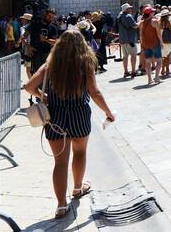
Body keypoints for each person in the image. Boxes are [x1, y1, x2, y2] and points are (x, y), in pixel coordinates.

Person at [24, 28, 116, 219]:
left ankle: (61, 205)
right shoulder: (85, 63)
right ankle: (76, 188)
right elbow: (94, 92)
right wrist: (108, 112)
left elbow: (29, 86)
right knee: (80, 153)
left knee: (60, 162)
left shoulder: (50, 65)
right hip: (79, 113)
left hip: (55, 117)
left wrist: (45, 96)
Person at [32, 8, 61, 75]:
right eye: (49, 16)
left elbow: (55, 42)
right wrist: (28, 47)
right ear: (45, 15)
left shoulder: (54, 27)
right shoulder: (36, 24)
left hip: (47, 53)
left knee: (46, 72)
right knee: (37, 73)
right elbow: (25, 36)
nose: (51, 18)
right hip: (36, 53)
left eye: (52, 17)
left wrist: (45, 39)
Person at [139, 5, 162, 84]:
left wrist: (142, 44)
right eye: (152, 11)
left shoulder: (141, 22)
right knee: (159, 60)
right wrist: (161, 42)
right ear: (150, 13)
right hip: (155, 43)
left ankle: (149, 79)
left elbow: (141, 35)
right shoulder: (155, 21)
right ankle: (157, 77)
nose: (154, 12)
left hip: (146, 44)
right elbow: (159, 34)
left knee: (148, 61)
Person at [118, 4, 140, 78]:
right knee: (133, 56)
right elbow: (134, 26)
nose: (131, 9)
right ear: (126, 9)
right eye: (129, 8)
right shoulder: (128, 16)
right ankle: (133, 72)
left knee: (125, 56)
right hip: (130, 40)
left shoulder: (119, 17)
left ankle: (126, 71)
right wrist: (140, 23)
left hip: (123, 40)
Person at [159, 11, 171, 78]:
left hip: (163, 39)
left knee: (164, 56)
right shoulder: (168, 21)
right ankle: (167, 70)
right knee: (168, 56)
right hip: (168, 40)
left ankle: (163, 69)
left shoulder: (160, 21)